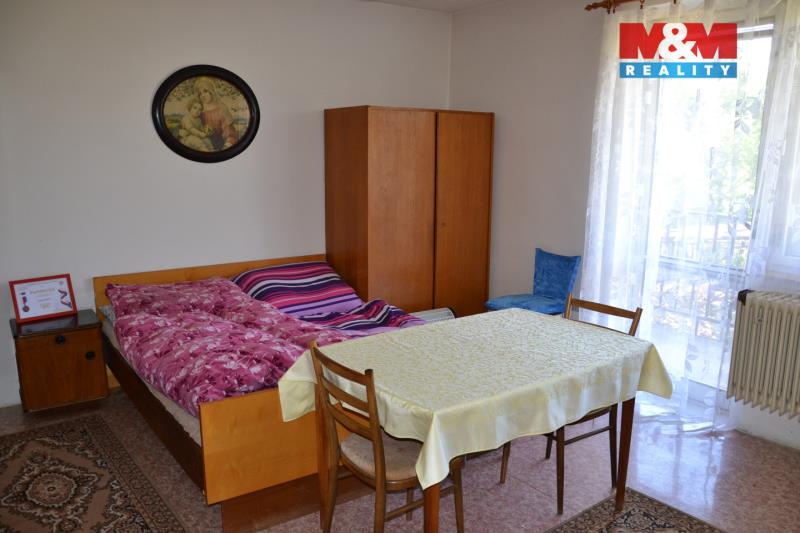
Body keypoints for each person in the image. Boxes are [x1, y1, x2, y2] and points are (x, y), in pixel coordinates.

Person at [193, 77, 238, 150]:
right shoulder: (199, 110)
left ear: (211, 91)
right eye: (200, 94)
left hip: (218, 145)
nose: (203, 95)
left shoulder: (222, 109)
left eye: (205, 91)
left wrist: (224, 150)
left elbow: (231, 136)